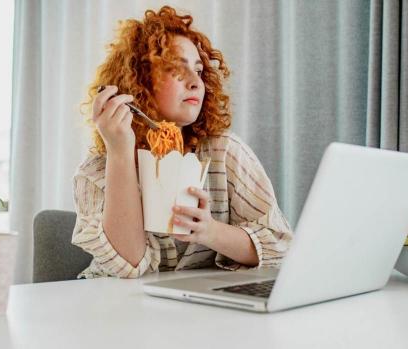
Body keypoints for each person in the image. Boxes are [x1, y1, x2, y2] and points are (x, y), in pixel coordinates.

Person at [72, 6, 292, 279]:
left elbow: (281, 247)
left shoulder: (225, 154)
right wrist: (120, 154)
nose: (195, 83)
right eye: (176, 67)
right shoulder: (95, 172)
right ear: (138, 78)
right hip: (116, 309)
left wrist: (210, 232)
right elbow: (125, 268)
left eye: (199, 71)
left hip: (199, 311)